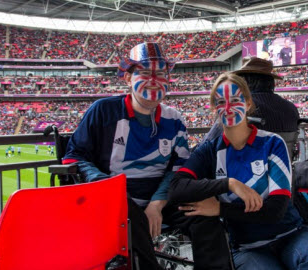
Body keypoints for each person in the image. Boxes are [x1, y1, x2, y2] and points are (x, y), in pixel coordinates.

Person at [63, 42, 232, 270]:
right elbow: (74, 156)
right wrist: (103, 182)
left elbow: (179, 169)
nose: (153, 79)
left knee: (204, 218)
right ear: (127, 78)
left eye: (161, 73)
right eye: (143, 72)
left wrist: (156, 203)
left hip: (162, 197)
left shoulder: (175, 119)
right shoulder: (103, 110)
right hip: (116, 196)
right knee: (130, 214)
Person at [169, 73, 308, 270]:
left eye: (235, 100)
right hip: (246, 247)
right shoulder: (209, 151)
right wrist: (229, 183)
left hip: (291, 234)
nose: (229, 108)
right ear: (214, 108)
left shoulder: (272, 143)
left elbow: (275, 210)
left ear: (248, 103)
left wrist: (220, 209)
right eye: (221, 102)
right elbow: (176, 188)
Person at [202, 57, 299, 155]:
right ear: (270, 82)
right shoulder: (292, 108)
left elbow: (207, 144)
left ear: (245, 82)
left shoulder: (240, 107)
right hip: (283, 165)